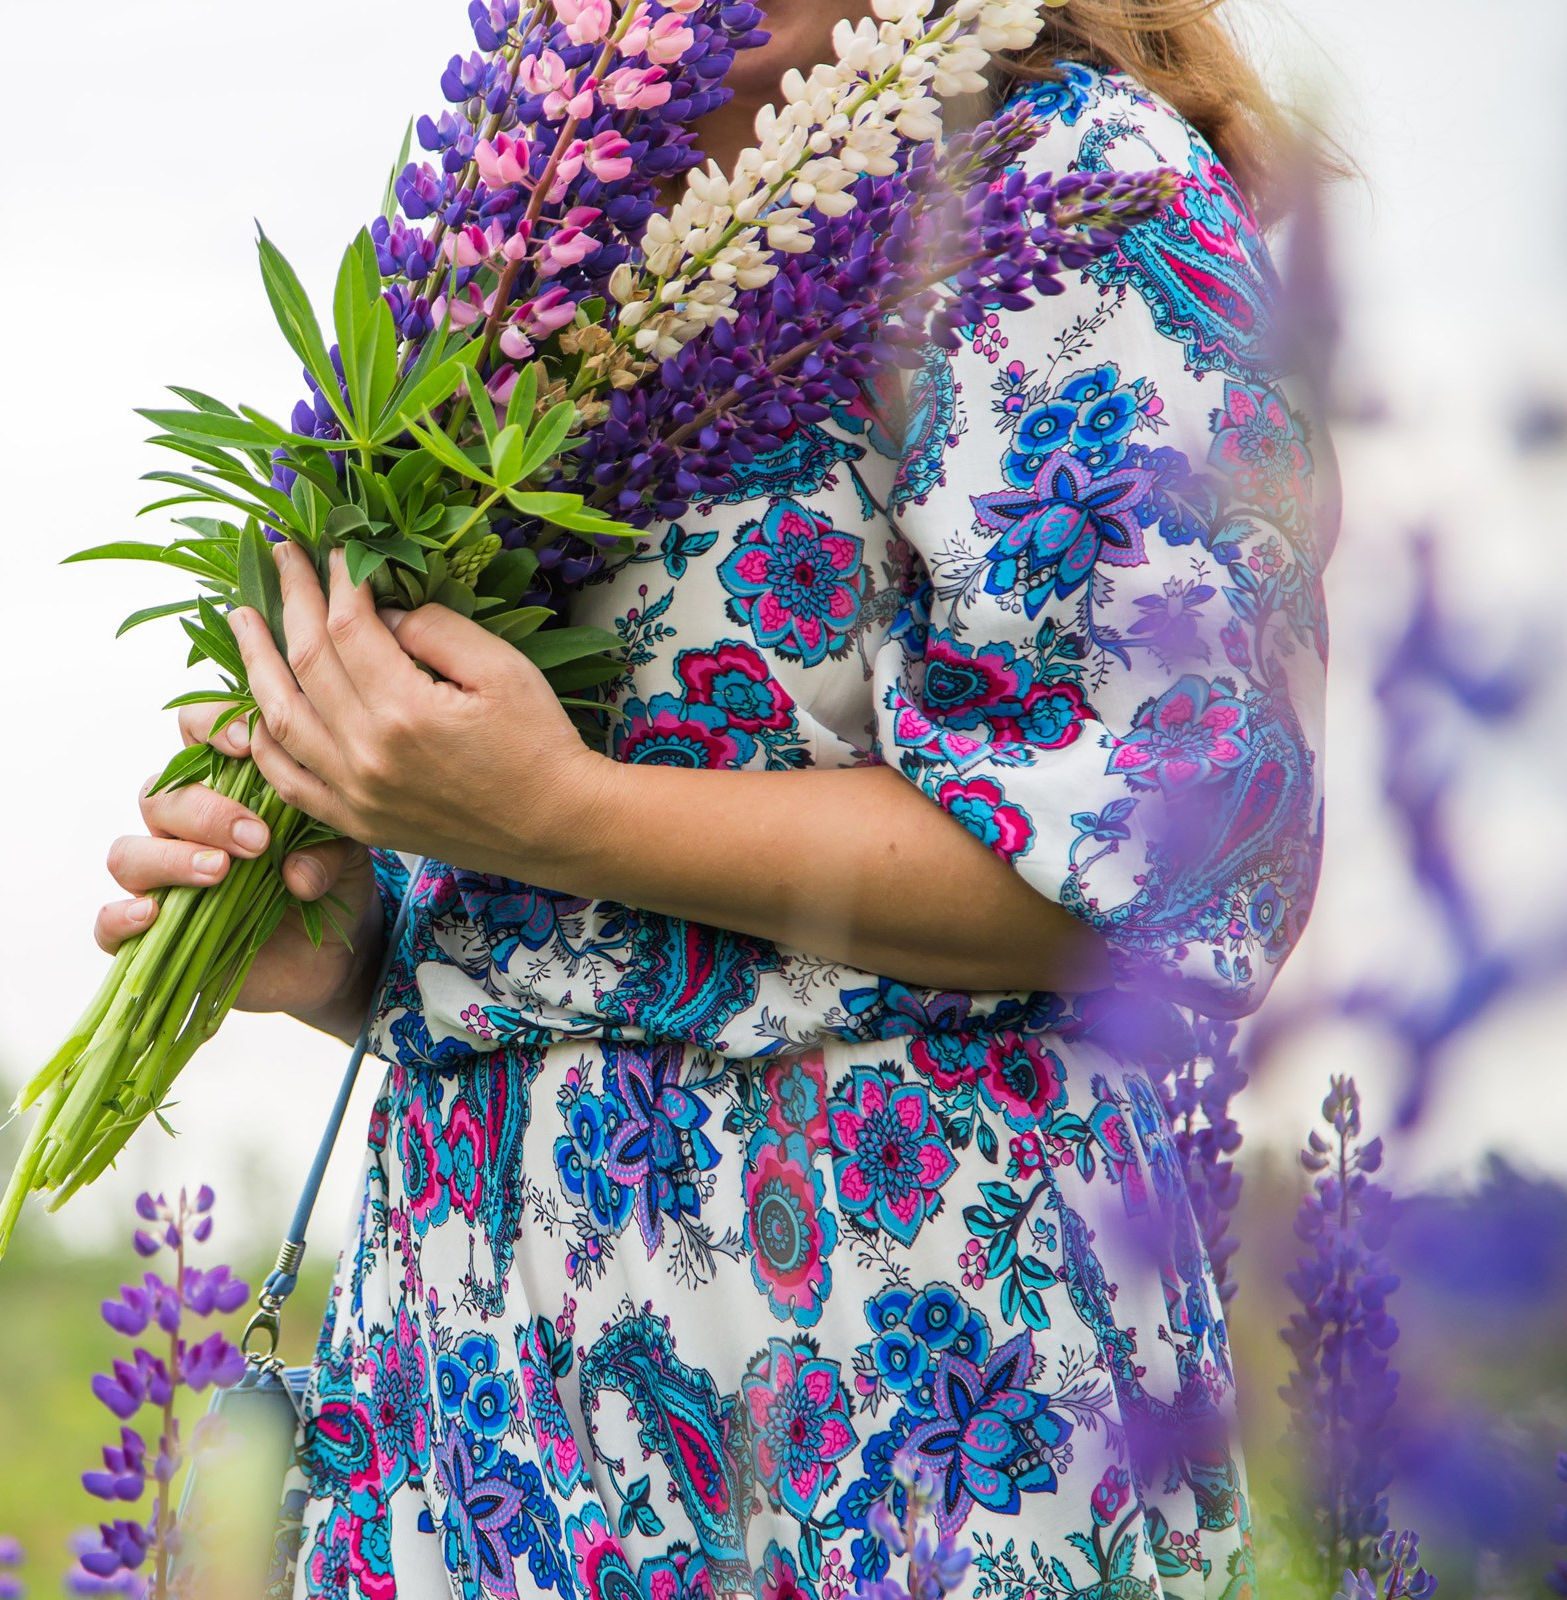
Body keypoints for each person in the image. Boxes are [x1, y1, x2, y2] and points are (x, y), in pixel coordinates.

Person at [94, 2, 1326, 1595]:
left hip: (905, 1357)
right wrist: (360, 945)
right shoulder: (535, 225)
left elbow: (1175, 853)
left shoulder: (1067, 186)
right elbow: (557, 909)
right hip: (478, 1364)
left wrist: (554, 814)